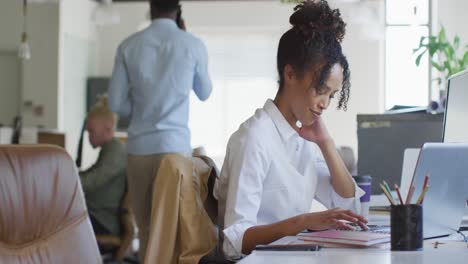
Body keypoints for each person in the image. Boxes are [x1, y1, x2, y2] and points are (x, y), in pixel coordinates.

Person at [213, 0, 368, 260]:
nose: (325, 104)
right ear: (290, 74)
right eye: (320, 90)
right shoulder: (254, 138)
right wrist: (304, 222)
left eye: (332, 95)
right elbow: (233, 242)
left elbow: (347, 203)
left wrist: (326, 142)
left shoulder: (304, 135)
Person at [108, 0, 212, 259]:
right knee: (177, 230)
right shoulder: (192, 44)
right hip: (175, 150)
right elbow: (205, 92)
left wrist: (144, 110)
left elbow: (115, 103)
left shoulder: (128, 46)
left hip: (139, 148)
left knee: (145, 230)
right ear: (177, 11)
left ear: (151, 7)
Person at [79, 96, 127, 237]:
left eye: (91, 131)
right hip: (97, 216)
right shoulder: (110, 149)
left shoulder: (115, 152)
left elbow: (92, 181)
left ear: (107, 130)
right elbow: (92, 174)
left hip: (104, 222)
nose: (88, 136)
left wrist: (64, 182)